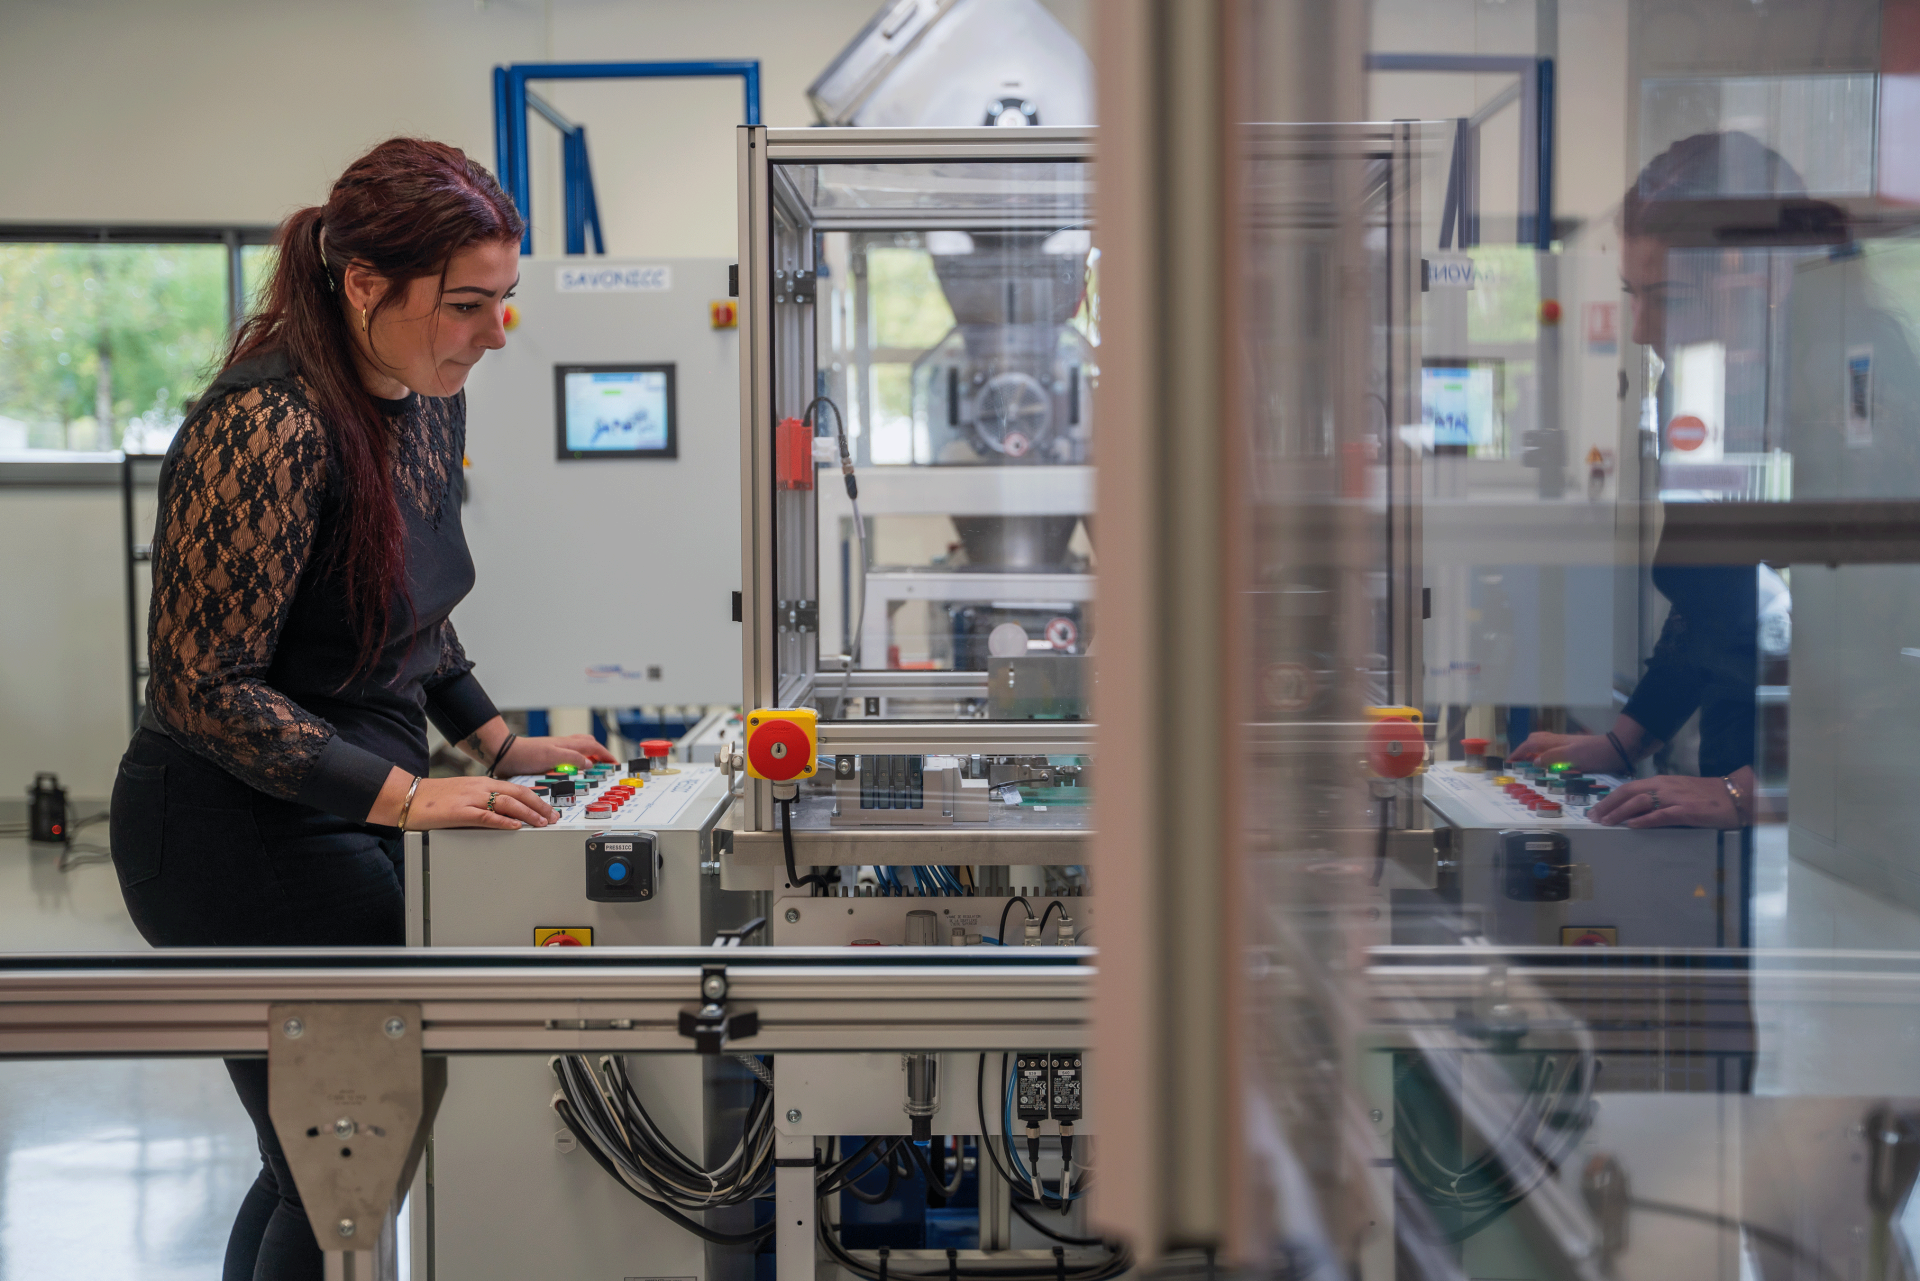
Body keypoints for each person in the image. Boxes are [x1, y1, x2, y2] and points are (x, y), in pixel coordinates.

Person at [107, 138, 616, 1281]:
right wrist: (411, 792)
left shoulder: (422, 401)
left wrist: (498, 738)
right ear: (364, 285)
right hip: (235, 828)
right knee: (349, 1160)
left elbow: (408, 607)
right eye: (468, 304)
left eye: (505, 303)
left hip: (345, 810)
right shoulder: (270, 425)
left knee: (314, 1155)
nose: (495, 334)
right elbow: (204, 687)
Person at [1509, 131, 1845, 831]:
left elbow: (1882, 668)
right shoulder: (1703, 400)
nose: (1640, 328)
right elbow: (1706, 600)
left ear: (1761, 279)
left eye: (1664, 297)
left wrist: (1750, 790)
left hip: (1837, 821)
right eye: (1633, 293)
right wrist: (1628, 739)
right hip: (1741, 790)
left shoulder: (1857, 400)